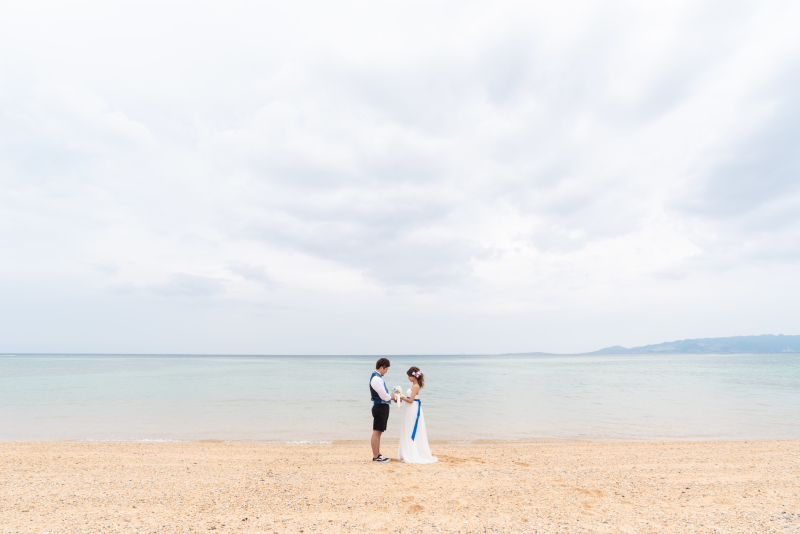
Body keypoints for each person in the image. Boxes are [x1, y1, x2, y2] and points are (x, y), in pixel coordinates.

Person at [397, 366, 438, 464]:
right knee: (408, 427)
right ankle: (408, 451)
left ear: (414, 376)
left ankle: (411, 452)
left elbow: (410, 400)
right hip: (410, 408)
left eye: (409, 376)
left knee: (411, 428)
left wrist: (401, 396)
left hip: (412, 408)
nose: (408, 378)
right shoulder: (414, 385)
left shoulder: (415, 387)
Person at [369, 357, 393, 462]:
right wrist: (394, 397)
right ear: (381, 367)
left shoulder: (377, 377)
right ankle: (376, 456)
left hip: (381, 406)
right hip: (380, 406)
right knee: (377, 432)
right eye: (386, 369)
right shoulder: (377, 379)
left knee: (378, 432)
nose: (386, 372)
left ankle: (378, 455)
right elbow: (384, 396)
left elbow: (384, 395)